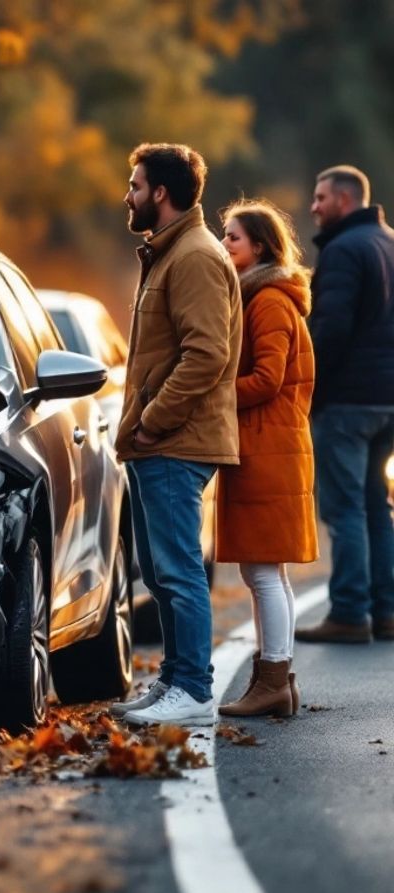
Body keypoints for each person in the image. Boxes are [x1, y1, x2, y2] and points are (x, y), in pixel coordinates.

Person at [109, 143, 242, 727]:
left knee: (179, 569)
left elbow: (207, 353)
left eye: (135, 186)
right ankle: (175, 681)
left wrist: (152, 420)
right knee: (161, 571)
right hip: (158, 442)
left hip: (175, 442)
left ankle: (193, 690)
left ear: (160, 193)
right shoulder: (169, 253)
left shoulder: (192, 256)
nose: (128, 196)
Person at [215, 200, 317, 717]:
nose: (224, 244)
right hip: (270, 444)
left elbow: (268, 380)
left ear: (259, 246)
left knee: (262, 574)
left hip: (267, 448)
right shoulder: (261, 297)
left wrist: (213, 391)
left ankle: (274, 679)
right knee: (266, 573)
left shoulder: (268, 301)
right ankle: (277, 680)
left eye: (232, 237)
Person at [294, 165, 394, 643]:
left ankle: (351, 613)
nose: (314, 206)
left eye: (321, 197)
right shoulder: (389, 243)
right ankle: (388, 610)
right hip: (387, 401)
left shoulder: (342, 251)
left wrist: (310, 389)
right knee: (377, 505)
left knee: (345, 507)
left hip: (349, 401)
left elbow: (329, 330)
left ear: (346, 200)